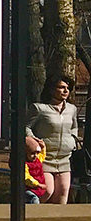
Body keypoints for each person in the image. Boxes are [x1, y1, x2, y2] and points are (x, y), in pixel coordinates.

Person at [26, 76, 80, 204]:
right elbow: (25, 127)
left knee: (62, 195)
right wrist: (34, 142)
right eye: (61, 87)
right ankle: (29, 217)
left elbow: (74, 127)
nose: (65, 91)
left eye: (67, 88)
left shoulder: (72, 109)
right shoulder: (39, 108)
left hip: (64, 159)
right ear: (51, 90)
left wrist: (72, 141)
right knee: (47, 191)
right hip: (44, 159)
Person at [24, 136, 48, 204]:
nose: (35, 155)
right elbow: (27, 177)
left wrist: (43, 147)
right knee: (34, 199)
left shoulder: (37, 160)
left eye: (36, 153)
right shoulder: (25, 164)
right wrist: (38, 184)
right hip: (29, 188)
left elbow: (42, 155)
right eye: (32, 153)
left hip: (37, 188)